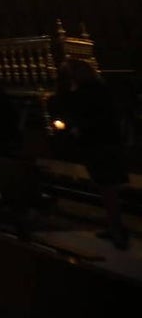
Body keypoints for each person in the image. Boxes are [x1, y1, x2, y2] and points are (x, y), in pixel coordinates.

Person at [53, 59, 130, 250]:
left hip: (102, 144)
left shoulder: (92, 92)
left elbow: (98, 117)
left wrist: (79, 128)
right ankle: (114, 226)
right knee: (106, 188)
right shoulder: (94, 90)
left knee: (108, 187)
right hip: (99, 143)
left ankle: (118, 229)